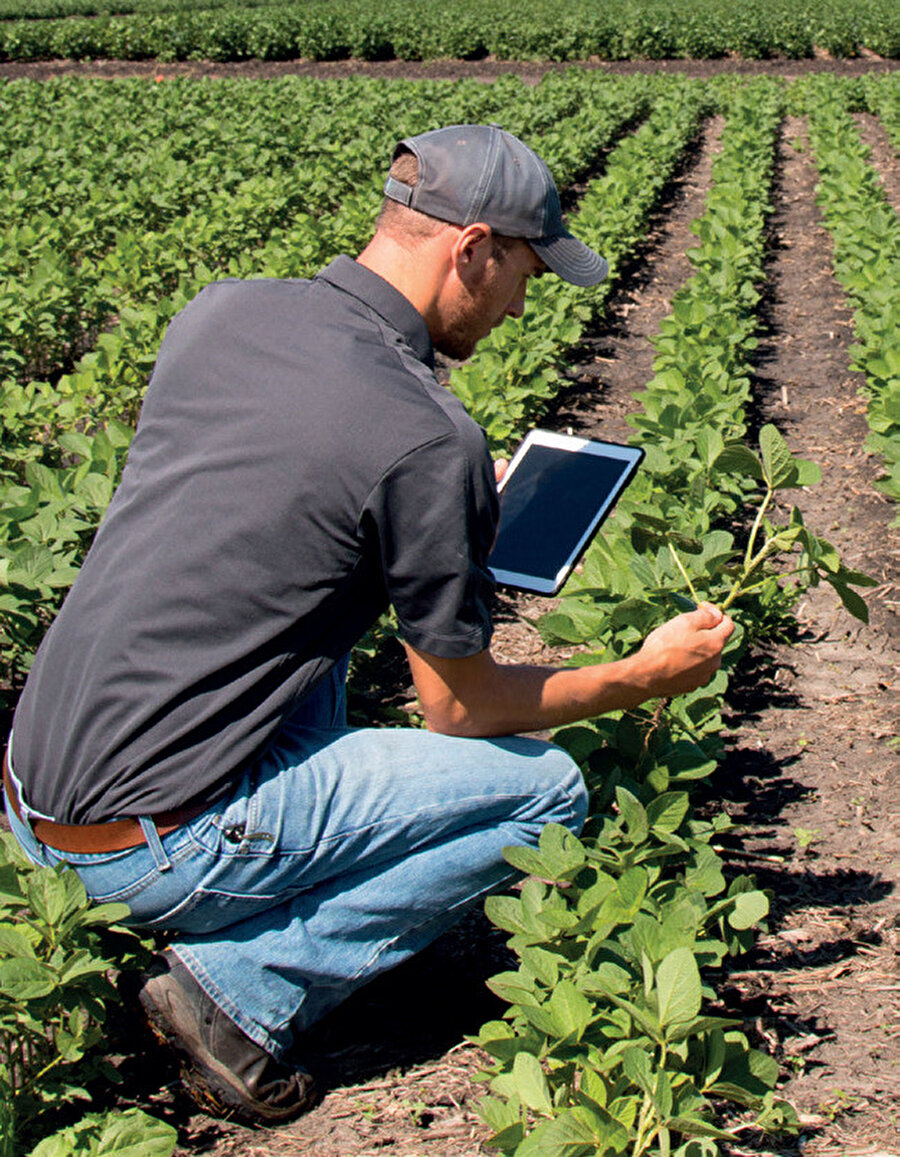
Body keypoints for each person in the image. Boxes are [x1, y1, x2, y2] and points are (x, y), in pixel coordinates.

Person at [3, 124, 733, 1124]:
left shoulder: (223, 313)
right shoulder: (428, 437)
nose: (525, 302)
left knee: (317, 641)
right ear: (472, 247)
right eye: (525, 268)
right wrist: (640, 676)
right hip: (147, 844)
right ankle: (241, 995)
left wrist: (447, 519)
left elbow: (275, 509)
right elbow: (458, 709)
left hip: (34, 792)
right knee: (543, 791)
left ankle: (234, 875)